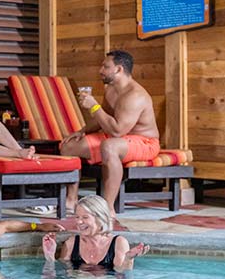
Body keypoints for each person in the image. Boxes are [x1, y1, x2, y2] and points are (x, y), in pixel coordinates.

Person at [60, 51, 162, 215]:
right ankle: (71, 200)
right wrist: (81, 131)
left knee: (109, 146)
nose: (101, 70)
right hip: (118, 138)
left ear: (119, 69)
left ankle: (107, 208)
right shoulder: (111, 90)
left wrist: (94, 106)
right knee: (68, 147)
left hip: (145, 142)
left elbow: (117, 130)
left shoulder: (135, 95)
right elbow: (104, 119)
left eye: (105, 66)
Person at [42, 195, 148, 272]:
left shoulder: (118, 243)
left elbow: (122, 277)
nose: (79, 222)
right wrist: (50, 256)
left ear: (100, 218)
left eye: (85, 217)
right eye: (77, 217)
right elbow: (60, 275)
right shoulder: (71, 243)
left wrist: (128, 259)